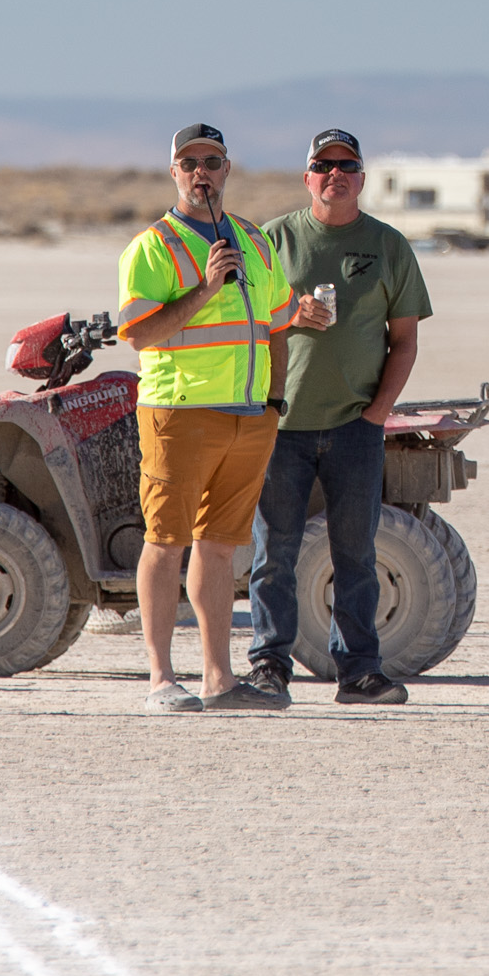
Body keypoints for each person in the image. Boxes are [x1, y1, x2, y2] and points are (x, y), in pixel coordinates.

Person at [115, 122, 324, 713]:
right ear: (174, 173)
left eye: (211, 161)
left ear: (228, 169)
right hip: (179, 414)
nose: (200, 172)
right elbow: (140, 334)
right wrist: (206, 288)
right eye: (189, 163)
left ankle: (218, 679)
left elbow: (277, 324)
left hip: (250, 416)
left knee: (220, 548)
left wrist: (275, 402)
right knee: (166, 541)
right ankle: (160, 678)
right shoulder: (153, 246)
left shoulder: (255, 242)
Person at [249, 127, 434, 707]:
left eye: (346, 165)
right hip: (281, 424)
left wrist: (376, 415)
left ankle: (358, 671)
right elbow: (242, 323)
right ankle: (269, 667)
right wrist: (287, 317)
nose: (334, 175)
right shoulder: (274, 240)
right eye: (322, 165)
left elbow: (403, 340)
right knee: (272, 552)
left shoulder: (388, 245)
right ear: (307, 177)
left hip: (355, 427)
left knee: (355, 554)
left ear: (361, 178)